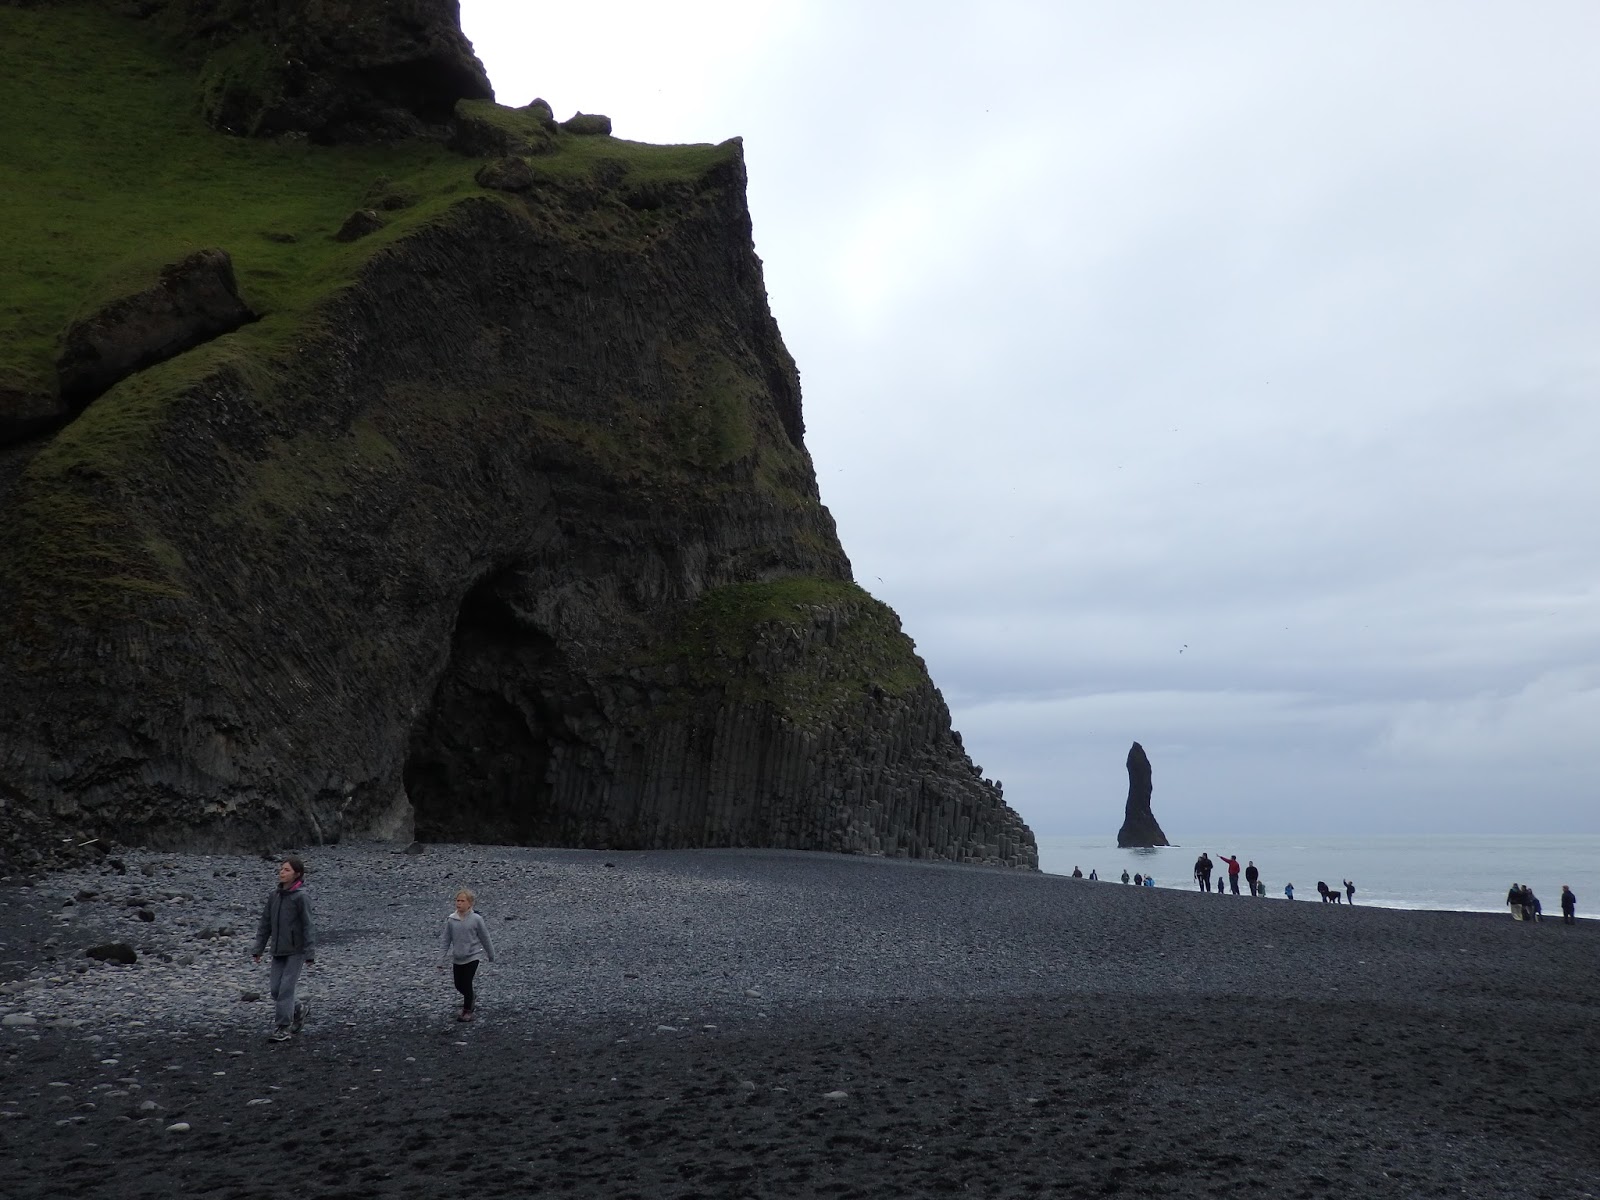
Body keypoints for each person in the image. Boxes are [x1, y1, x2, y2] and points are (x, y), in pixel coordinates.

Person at [251, 858, 315, 1043]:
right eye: (281, 869)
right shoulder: (274, 896)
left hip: (296, 950)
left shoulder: (301, 897)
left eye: (286, 870)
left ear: (297, 874)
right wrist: (258, 949)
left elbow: (308, 926)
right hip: (278, 950)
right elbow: (265, 924)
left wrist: (310, 953)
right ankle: (299, 1009)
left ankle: (283, 1027)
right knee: (275, 990)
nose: (282, 872)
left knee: (286, 989)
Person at [440, 888, 496, 1022]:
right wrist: (440, 960)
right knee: (458, 985)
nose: (458, 903)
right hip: (458, 958)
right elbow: (446, 940)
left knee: (467, 982)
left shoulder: (476, 919)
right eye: (457, 901)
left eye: (462, 901)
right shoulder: (451, 920)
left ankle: (467, 1011)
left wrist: (490, 954)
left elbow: (485, 937)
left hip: (472, 956)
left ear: (470, 903)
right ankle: (471, 997)